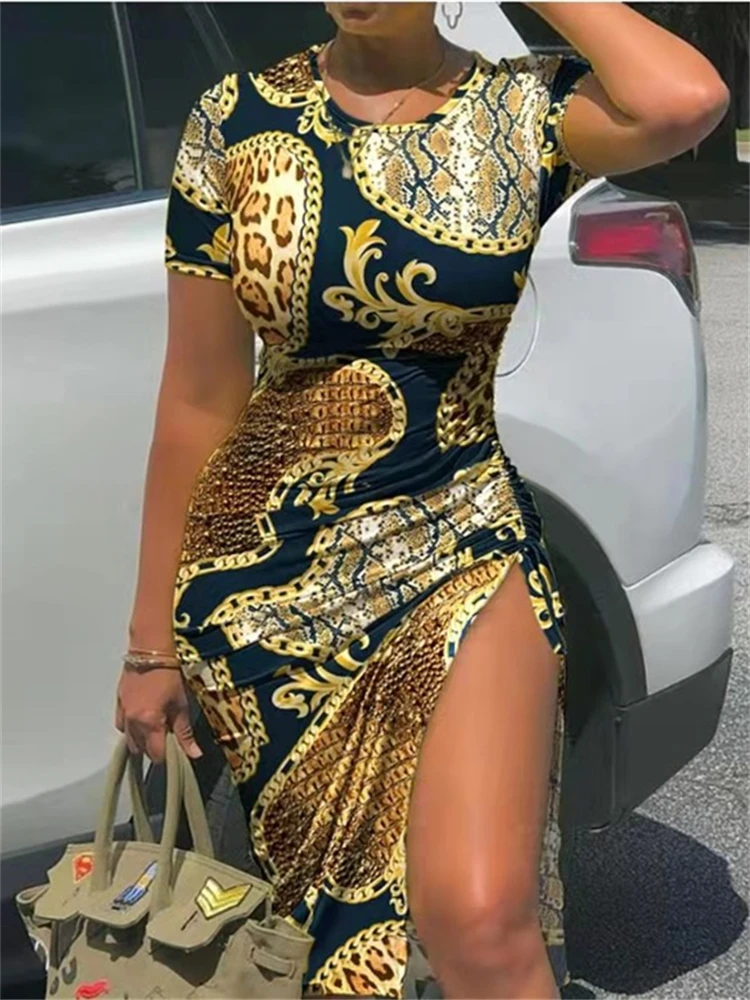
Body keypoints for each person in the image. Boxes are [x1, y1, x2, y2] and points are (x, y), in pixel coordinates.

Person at [116, 3, 728, 997]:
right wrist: (151, 644)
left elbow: (685, 98)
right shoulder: (236, 118)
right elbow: (197, 397)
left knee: (481, 921)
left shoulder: (520, 109)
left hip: (464, 542)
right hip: (269, 586)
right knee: (331, 946)